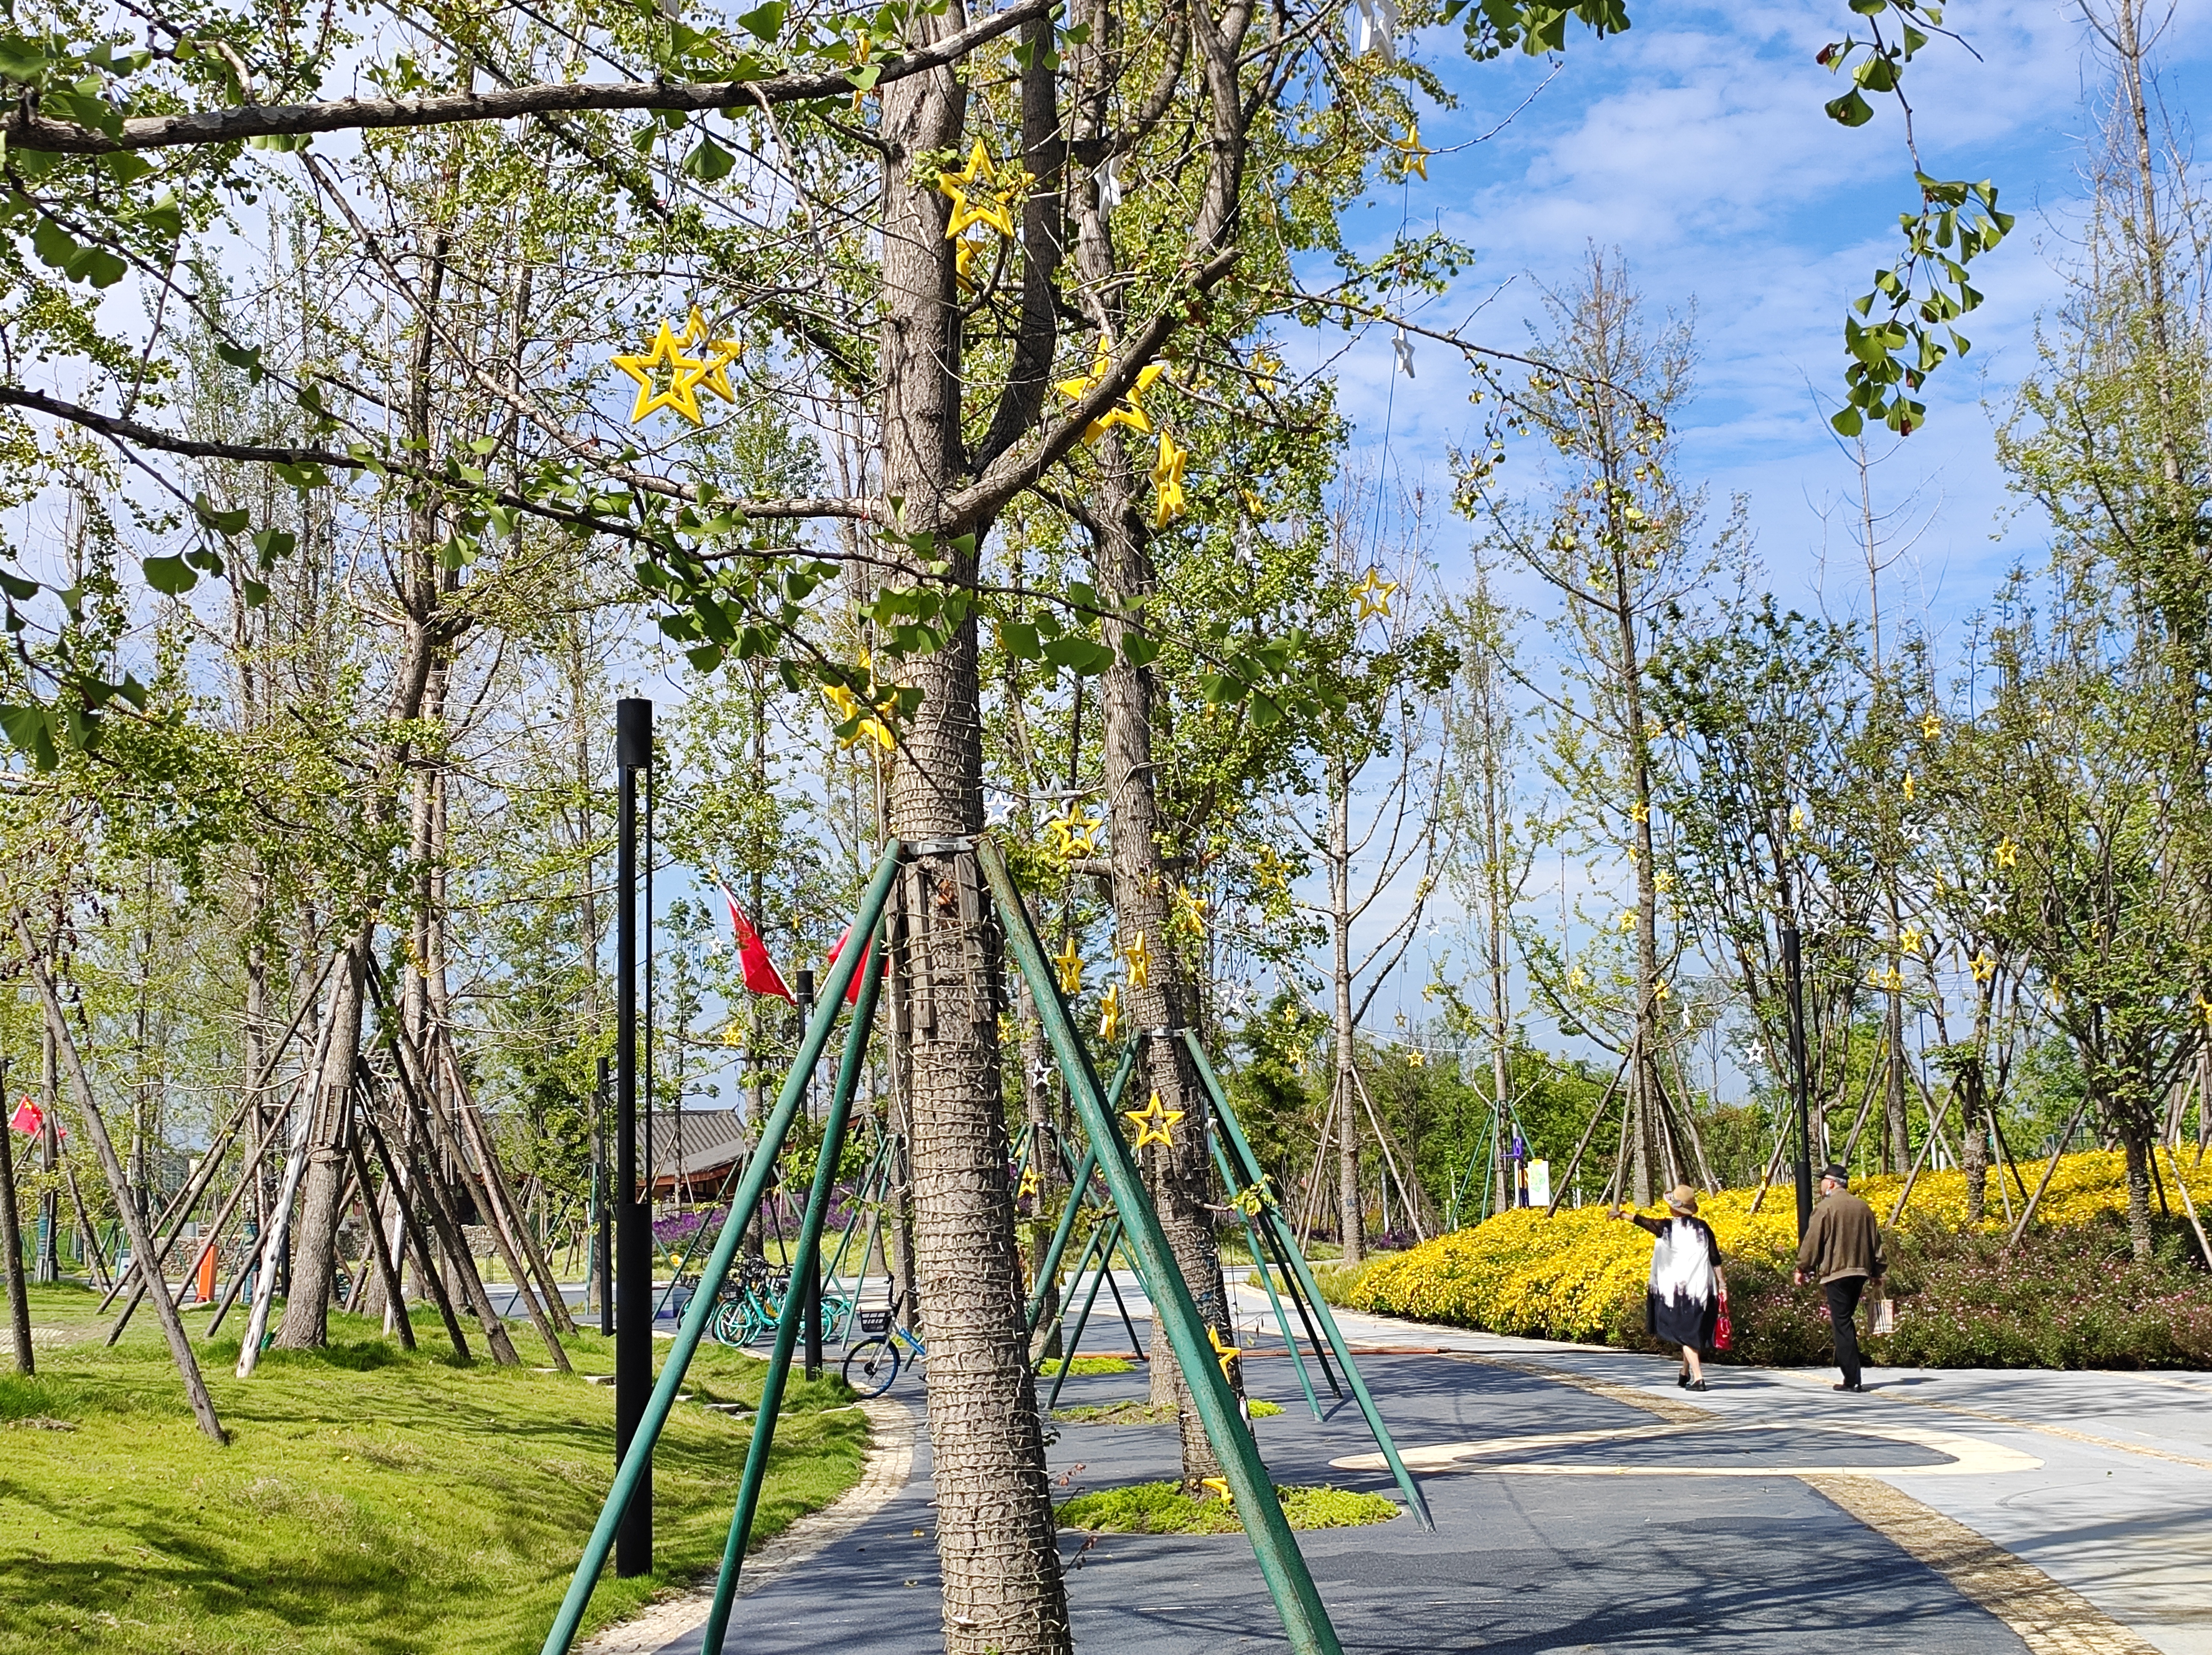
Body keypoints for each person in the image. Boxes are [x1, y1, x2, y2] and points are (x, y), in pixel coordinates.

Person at [1611, 1185, 1725, 1390]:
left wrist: (1621, 1215)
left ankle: (1699, 1379)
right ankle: (1685, 1373)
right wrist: (1723, 1284)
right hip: (1702, 1291)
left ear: (1674, 1209)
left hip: (1676, 1293)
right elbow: (1715, 1258)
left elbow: (1642, 1221)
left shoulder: (1666, 1227)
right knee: (1689, 1331)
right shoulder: (1703, 1227)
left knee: (1684, 1334)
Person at [1795, 1161, 1885, 1392]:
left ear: (1832, 1183)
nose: (1820, 1184)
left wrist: (1802, 1268)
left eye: (1823, 1180)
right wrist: (1877, 1272)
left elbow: (1812, 1241)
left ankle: (1852, 1378)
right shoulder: (1863, 1207)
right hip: (1860, 1272)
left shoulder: (1826, 1208)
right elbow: (1876, 1242)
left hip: (1837, 1273)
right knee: (1847, 1319)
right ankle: (1853, 1369)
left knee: (1842, 1323)